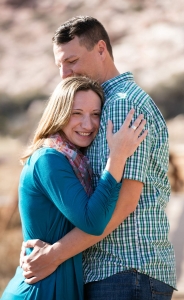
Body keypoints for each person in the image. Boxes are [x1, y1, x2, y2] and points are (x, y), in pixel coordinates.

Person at [20, 16, 176, 300]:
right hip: (122, 273)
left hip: (124, 270)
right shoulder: (106, 102)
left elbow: (125, 201)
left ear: (101, 49)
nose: (65, 73)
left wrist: (53, 255)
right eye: (60, 65)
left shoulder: (120, 106)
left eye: (73, 61)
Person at [1, 76, 147, 300]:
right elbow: (93, 222)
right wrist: (117, 157)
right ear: (59, 113)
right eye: (76, 113)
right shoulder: (49, 159)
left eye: (95, 114)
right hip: (40, 290)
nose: (88, 125)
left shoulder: (75, 161)